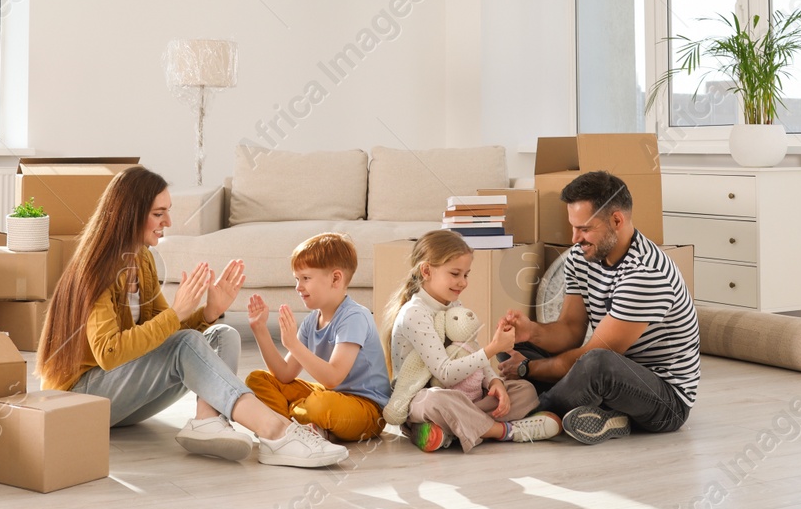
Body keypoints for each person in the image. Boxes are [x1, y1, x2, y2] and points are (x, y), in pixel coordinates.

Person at [36, 165, 347, 468]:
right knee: (185, 341)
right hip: (79, 401)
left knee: (223, 335)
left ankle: (207, 421)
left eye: (167, 212)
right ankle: (275, 432)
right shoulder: (95, 271)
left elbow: (167, 338)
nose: (168, 221)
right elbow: (109, 353)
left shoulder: (141, 260)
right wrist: (176, 314)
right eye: (159, 214)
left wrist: (208, 313)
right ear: (129, 215)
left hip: (120, 400)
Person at [498, 170, 699, 444]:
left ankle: (526, 413)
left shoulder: (646, 274)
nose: (574, 238)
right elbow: (570, 330)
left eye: (584, 228)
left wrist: (527, 370)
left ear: (617, 220)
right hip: (612, 378)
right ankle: (603, 414)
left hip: (664, 401)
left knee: (597, 364)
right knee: (513, 349)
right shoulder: (581, 257)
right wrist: (530, 332)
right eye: (573, 226)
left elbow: (596, 355)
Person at [383, 230, 561, 451]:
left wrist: (494, 383)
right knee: (435, 401)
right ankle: (506, 431)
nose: (463, 282)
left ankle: (448, 430)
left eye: (466, 275)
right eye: (455, 274)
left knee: (524, 390)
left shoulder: (454, 306)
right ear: (427, 270)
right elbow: (445, 374)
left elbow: (471, 351)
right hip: (420, 398)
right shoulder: (415, 314)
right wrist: (493, 349)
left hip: (464, 397)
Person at [244, 233, 390, 442]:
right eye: (297, 279)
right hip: (332, 396)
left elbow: (333, 378)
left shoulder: (354, 317)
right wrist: (260, 330)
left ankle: (288, 421)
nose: (298, 287)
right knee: (258, 380)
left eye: (306, 278)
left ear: (335, 278)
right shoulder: (312, 321)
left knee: (319, 404)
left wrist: (293, 345)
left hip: (366, 409)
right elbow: (284, 375)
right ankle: (292, 429)